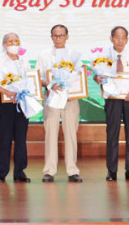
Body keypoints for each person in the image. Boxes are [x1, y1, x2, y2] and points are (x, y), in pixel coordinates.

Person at [96, 26, 129, 182]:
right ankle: (111, 171)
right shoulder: (103, 57)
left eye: (123, 38)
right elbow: (97, 76)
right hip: (112, 100)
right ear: (111, 38)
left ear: (127, 40)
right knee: (112, 134)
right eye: (117, 37)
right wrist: (96, 78)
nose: (120, 41)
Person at [37, 24, 82, 183]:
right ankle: (49, 171)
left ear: (67, 37)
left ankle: (72, 170)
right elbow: (38, 77)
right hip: (52, 98)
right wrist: (49, 85)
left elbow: (80, 76)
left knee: (71, 133)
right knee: (50, 133)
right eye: (55, 35)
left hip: (70, 99)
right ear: (51, 37)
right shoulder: (43, 55)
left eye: (61, 35)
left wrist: (74, 91)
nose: (58, 38)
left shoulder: (75, 55)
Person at [0, 32, 29, 183]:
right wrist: (7, 92)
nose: (14, 44)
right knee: (4, 138)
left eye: (16, 41)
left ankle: (20, 172)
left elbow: (31, 80)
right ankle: (1, 173)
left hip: (22, 102)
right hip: (5, 102)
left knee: (21, 138)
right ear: (4, 45)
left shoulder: (24, 61)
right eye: (10, 42)